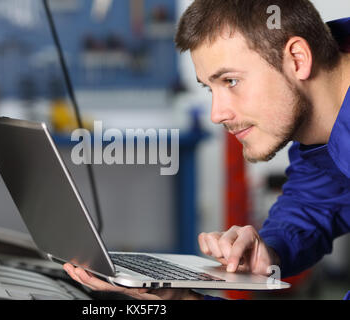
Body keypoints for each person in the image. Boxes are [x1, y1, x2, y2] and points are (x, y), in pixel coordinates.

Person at [64, 0, 350, 300]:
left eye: (231, 80)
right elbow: (315, 201)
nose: (217, 114)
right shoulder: (324, 120)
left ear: (297, 58)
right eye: (209, 88)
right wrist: (270, 248)